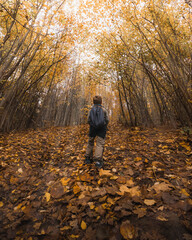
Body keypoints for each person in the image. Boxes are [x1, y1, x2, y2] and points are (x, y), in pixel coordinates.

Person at [84, 96, 109, 168]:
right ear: (101, 102)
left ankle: (88, 158)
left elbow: (88, 120)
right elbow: (107, 119)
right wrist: (104, 125)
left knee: (90, 142)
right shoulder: (104, 110)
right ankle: (98, 161)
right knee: (100, 143)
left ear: (93, 102)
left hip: (92, 128)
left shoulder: (90, 110)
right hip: (102, 128)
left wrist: (92, 125)